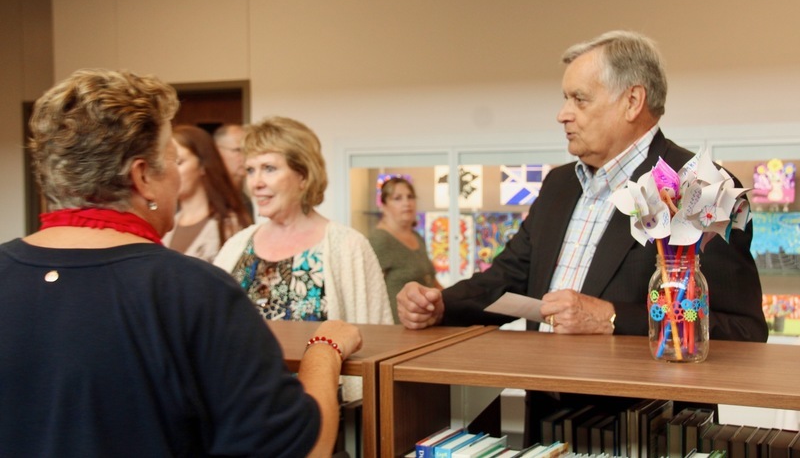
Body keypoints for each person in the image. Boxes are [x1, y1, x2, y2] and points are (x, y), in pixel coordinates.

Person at [396, 31, 768, 440]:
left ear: (632, 101)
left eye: (579, 99)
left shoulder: (697, 186)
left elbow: (743, 329)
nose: (562, 114)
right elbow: (506, 279)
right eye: (565, 99)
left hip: (649, 428)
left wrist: (610, 318)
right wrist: (440, 306)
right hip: (546, 420)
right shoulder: (558, 185)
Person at [0, 68, 362, 457]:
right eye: (171, 159)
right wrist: (323, 349)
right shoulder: (192, 292)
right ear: (143, 178)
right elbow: (302, 449)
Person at [213, 116, 393, 397]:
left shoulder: (348, 246)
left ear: (303, 176)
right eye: (250, 170)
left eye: (269, 168)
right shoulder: (237, 245)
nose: (256, 182)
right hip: (239, 406)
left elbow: (378, 343)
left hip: (317, 411)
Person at [162, 124, 252, 262]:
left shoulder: (229, 225)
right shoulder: (166, 225)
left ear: (202, 165)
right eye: (166, 164)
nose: (170, 172)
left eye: (178, 162)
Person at [369, 177, 441, 322]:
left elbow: (431, 281)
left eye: (410, 197)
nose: (406, 203)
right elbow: (370, 294)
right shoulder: (380, 240)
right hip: (396, 330)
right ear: (383, 205)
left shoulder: (416, 236)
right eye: (397, 198)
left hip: (426, 325)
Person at [214, 123, 255, 220]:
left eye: (249, 150)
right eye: (238, 150)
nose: (246, 156)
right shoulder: (210, 197)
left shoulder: (245, 200)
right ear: (217, 152)